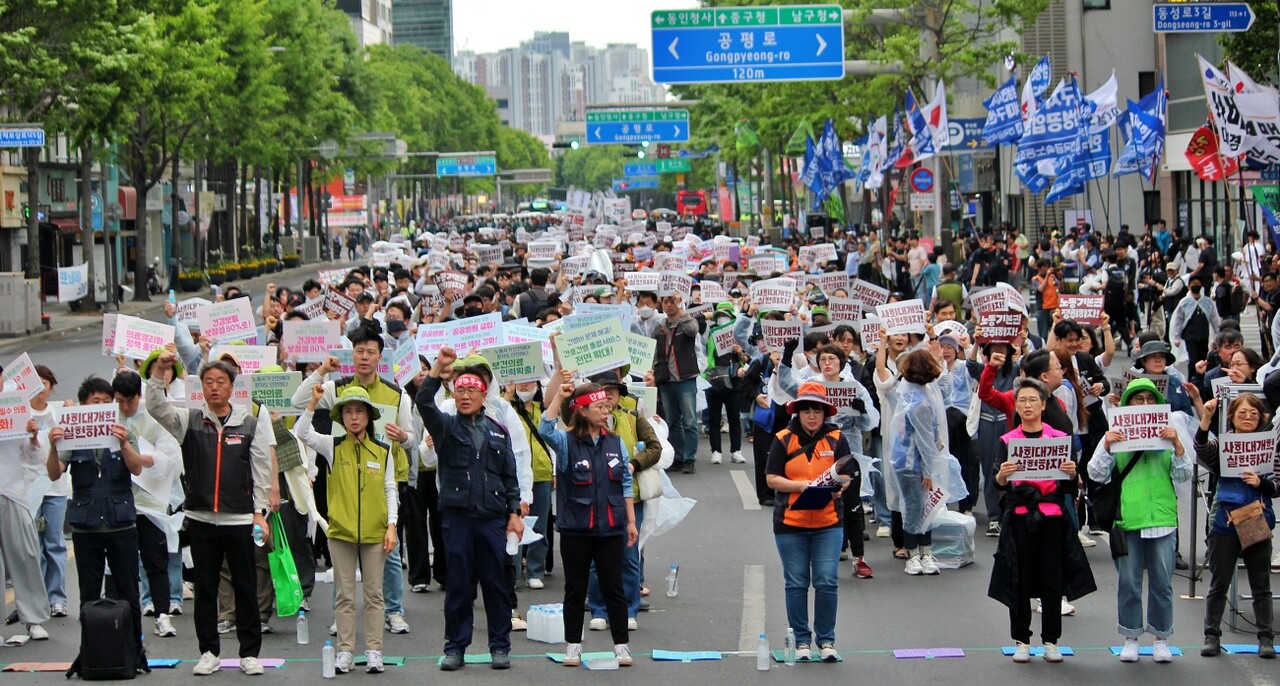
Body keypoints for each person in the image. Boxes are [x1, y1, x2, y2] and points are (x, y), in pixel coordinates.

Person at [145, 355, 274, 676]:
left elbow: (260, 470)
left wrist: (261, 514)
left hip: (240, 520)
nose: (215, 388)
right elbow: (155, 407)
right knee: (205, 589)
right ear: (200, 387)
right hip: (201, 519)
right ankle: (208, 652)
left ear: (232, 387)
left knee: (246, 587)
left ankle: (249, 653)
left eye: (221, 382)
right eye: (208, 382)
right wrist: (160, 370)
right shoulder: (189, 421)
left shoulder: (249, 424)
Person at [415, 346, 524, 672]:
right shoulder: (445, 427)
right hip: (457, 518)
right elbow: (423, 402)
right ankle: (455, 648)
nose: (464, 395)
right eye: (459, 389)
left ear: (483, 393)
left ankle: (500, 647)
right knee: (459, 587)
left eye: (471, 389)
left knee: (496, 586)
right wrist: (438, 368)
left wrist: (515, 512)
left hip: (491, 519)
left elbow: (509, 477)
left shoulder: (498, 430)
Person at [988, 378, 1096, 663]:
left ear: (1043, 404)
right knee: (1018, 577)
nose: (1027, 405)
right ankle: (1021, 639)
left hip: (1052, 518)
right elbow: (997, 483)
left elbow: (1070, 486)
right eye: (1022, 400)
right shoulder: (1008, 441)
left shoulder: (1058, 439)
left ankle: (1051, 640)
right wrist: (1003, 474)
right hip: (1020, 518)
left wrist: (1072, 473)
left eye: (1033, 400)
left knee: (1052, 579)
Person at [1087, 378, 1191, 663]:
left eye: (1149, 399)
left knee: (1162, 582)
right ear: (1127, 403)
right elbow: (1095, 474)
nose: (1144, 404)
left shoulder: (1170, 435)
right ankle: (1130, 636)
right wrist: (1107, 445)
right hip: (1127, 519)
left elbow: (1184, 476)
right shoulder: (1115, 432)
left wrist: (1177, 445)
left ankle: (1161, 637)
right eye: (1137, 399)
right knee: (1129, 582)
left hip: (1162, 518)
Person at [296, 386, 398, 674]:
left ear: (368, 416)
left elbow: (391, 489)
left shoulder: (383, 450)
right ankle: (345, 652)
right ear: (342, 417)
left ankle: (375, 651)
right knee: (344, 595)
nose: (354, 417)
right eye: (349, 412)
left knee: (374, 594)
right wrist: (313, 401)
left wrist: (392, 525)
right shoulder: (332, 445)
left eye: (359, 411)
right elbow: (302, 433)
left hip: (375, 532)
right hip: (340, 532)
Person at [538, 375, 638, 668]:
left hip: (611, 526)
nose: (606, 411)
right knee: (575, 588)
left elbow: (626, 483)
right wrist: (560, 396)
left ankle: (621, 646)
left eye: (608, 406)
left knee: (613, 587)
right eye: (599, 407)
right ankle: (573, 646)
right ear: (582, 410)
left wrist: (630, 522)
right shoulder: (567, 443)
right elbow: (546, 427)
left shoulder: (615, 442)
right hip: (576, 528)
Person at [765, 382, 857, 663]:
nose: (812, 416)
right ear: (798, 413)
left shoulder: (837, 438)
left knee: (827, 582)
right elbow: (771, 479)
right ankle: (801, 641)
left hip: (828, 523)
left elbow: (848, 472)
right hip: (790, 524)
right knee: (796, 583)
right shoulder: (783, 438)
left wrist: (841, 485)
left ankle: (827, 641)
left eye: (817, 410)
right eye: (806, 411)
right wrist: (800, 485)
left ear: (824, 413)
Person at [1190, 390, 1276, 659]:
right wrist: (1206, 418)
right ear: (1232, 417)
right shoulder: (1224, 444)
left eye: (1253, 413)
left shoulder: (1269, 446)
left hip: (1255, 517)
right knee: (1219, 581)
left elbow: (1277, 485)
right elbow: (1202, 449)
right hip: (1225, 520)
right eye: (1242, 413)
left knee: (1260, 582)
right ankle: (1211, 635)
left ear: (1261, 418)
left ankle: (1265, 638)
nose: (1248, 418)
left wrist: (1261, 483)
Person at [882, 347, 966, 576]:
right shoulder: (920, 399)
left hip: (905, 460)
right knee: (916, 509)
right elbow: (924, 439)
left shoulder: (909, 392)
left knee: (922, 508)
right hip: (912, 463)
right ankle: (915, 553)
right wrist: (929, 470)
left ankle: (924, 552)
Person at [652, 294, 702, 473]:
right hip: (666, 381)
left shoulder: (687, 323)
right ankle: (678, 457)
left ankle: (690, 458)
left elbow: (693, 331)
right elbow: (655, 352)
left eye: (672, 301)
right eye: (666, 302)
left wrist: (681, 309)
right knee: (672, 421)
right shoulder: (659, 328)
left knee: (689, 421)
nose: (669, 305)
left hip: (685, 379)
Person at [1170, 276, 1220, 371]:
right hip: (1190, 336)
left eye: (1198, 284)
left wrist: (1218, 334)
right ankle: (1192, 380)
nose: (1196, 286)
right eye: (1193, 284)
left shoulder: (1207, 301)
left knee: (1203, 359)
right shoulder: (1184, 302)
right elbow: (1178, 320)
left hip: (1204, 335)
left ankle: (1201, 380)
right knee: (1193, 359)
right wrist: (1176, 337)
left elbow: (1214, 318)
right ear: (1189, 286)